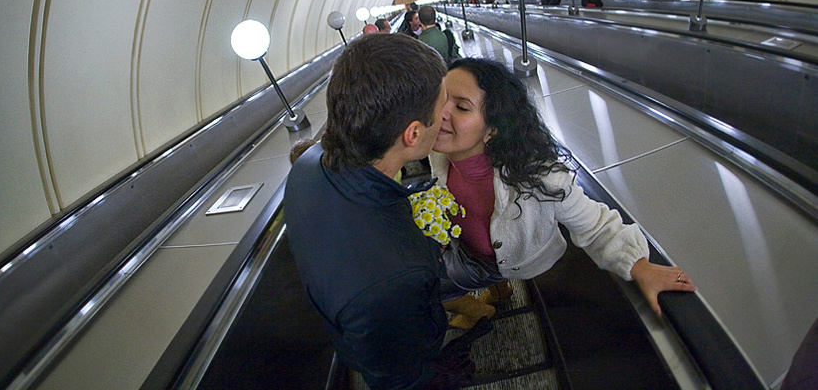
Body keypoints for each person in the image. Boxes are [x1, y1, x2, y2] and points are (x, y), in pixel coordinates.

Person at [430, 57, 697, 324]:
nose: (441, 111)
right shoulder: (438, 153)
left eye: (462, 107)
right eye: (441, 97)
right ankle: (500, 292)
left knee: (423, 288)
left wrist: (639, 266)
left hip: (489, 262)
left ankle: (478, 312)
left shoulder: (539, 178)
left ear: (492, 130)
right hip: (460, 243)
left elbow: (595, 225)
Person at [285, 34, 478, 390]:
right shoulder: (393, 279)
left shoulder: (308, 165)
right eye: (442, 106)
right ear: (413, 133)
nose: (447, 115)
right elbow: (399, 380)